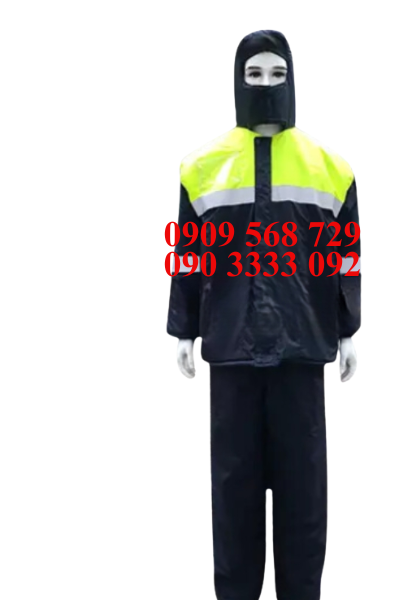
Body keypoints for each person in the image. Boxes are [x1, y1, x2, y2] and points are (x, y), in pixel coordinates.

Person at [167, 29, 361, 600]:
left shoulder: (330, 167)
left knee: (304, 498)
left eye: (277, 73)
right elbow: (189, 254)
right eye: (254, 74)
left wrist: (348, 327)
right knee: (235, 497)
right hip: (231, 349)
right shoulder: (201, 167)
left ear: (293, 78)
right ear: (237, 79)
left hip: (303, 348)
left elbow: (346, 254)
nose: (266, 84)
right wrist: (184, 329)